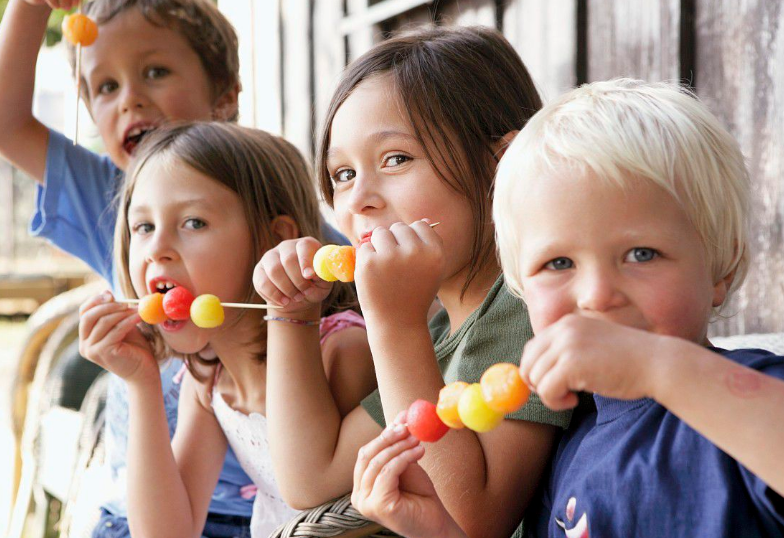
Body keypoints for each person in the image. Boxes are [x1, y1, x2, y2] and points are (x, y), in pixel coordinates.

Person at [351, 79, 784, 538]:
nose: (596, 295)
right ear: (521, 288)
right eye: (558, 263)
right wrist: (437, 531)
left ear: (721, 269)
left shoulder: (750, 397)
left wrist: (657, 366)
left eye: (642, 254)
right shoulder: (571, 446)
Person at [252, 26, 572, 538]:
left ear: (501, 167)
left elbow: (468, 521)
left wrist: (396, 324)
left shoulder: (526, 306)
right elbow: (310, 478)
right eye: (342, 174)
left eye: (396, 159)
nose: (358, 200)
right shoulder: (440, 333)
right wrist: (291, 313)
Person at [0, 1, 250, 535]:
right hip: (138, 512)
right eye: (105, 87)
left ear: (225, 96)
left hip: (262, 516)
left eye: (155, 71)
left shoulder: (266, 206)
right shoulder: (111, 198)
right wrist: (30, 7)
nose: (130, 99)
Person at [78, 122, 377, 538]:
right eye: (143, 227)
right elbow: (167, 534)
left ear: (274, 241)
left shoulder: (342, 351)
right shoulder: (209, 381)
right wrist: (142, 382)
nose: (156, 250)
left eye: (194, 222)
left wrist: (290, 311)